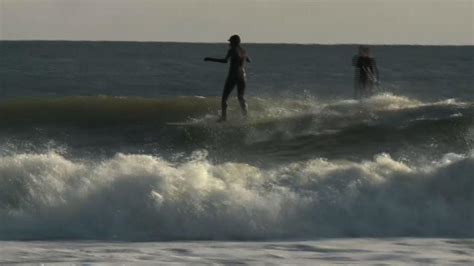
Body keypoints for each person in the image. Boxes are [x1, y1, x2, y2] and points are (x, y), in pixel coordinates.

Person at [204, 34, 251, 122]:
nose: (229, 43)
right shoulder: (243, 50)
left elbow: (225, 61)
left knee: (224, 98)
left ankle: (224, 118)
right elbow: (249, 60)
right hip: (243, 76)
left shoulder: (232, 50)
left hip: (233, 75)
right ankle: (245, 117)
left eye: (231, 42)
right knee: (241, 97)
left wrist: (210, 59)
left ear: (234, 42)